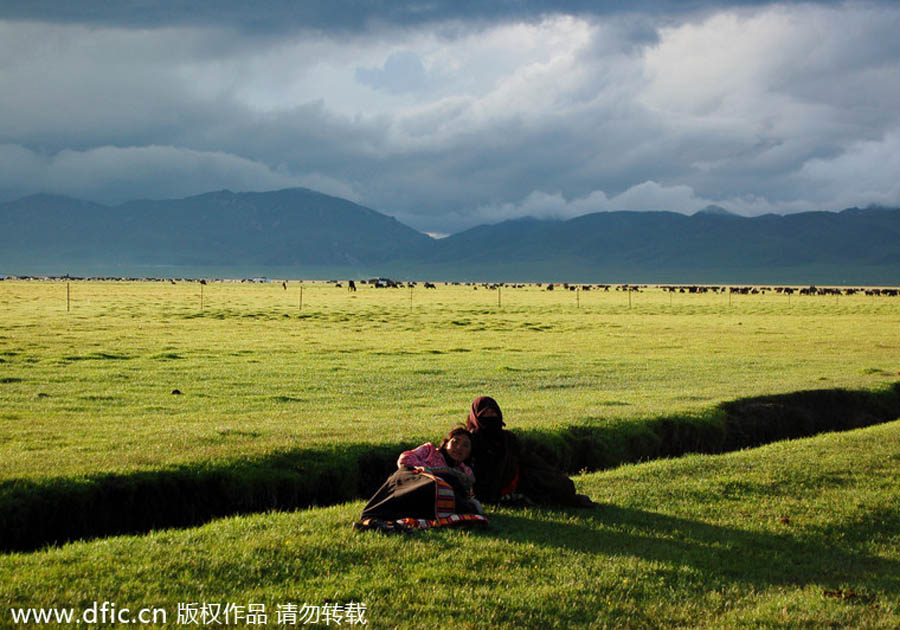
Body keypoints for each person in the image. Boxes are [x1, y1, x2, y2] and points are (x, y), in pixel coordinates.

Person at [466, 396, 598, 508]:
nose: (490, 417)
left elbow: (526, 457)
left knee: (558, 485)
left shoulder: (507, 438)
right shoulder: (471, 440)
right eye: (485, 414)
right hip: (488, 490)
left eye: (493, 413)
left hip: (517, 481)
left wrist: (551, 473)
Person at [356, 428, 487, 532]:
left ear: (469, 453)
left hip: (430, 495)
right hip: (410, 480)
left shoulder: (465, 472)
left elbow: (465, 492)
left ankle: (386, 521)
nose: (458, 447)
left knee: (443, 487)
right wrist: (430, 472)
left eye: (465, 446)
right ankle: (374, 515)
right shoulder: (429, 450)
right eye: (455, 441)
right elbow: (405, 460)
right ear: (446, 442)